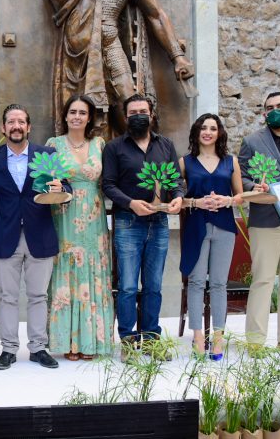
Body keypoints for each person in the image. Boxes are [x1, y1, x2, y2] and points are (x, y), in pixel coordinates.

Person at [32, 0, 195, 134]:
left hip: (108, 43)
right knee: (78, 109)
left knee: (128, 102)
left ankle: (141, 148)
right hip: (74, 51)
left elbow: (155, 15)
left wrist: (177, 56)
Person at [0, 104, 70, 370]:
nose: (16, 126)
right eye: (11, 122)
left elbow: (65, 186)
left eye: (21, 122)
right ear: (3, 128)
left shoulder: (46, 155)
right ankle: (8, 349)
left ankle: (38, 348)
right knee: (8, 296)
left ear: (28, 127)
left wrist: (60, 187)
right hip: (6, 236)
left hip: (41, 234)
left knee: (39, 295)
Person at [101, 93, 183, 361]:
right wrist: (131, 203)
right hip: (128, 222)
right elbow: (108, 185)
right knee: (126, 285)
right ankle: (127, 341)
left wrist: (177, 197)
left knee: (154, 285)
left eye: (143, 112)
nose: (139, 116)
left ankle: (150, 341)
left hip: (158, 223)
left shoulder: (166, 145)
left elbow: (176, 180)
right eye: (133, 113)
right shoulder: (114, 148)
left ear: (151, 115)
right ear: (126, 118)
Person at [46, 94, 114, 361]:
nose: (77, 116)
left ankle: (92, 341)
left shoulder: (99, 144)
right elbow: (43, 181)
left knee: (94, 272)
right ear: (65, 116)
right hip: (64, 215)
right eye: (72, 112)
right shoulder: (53, 145)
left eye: (82, 113)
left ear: (89, 118)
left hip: (94, 219)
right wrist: (51, 185)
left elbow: (110, 180)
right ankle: (69, 342)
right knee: (68, 270)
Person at [238, 92, 280, 353]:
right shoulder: (252, 141)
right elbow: (241, 176)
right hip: (265, 219)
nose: (276, 110)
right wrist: (253, 186)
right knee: (262, 280)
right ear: (264, 114)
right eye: (270, 107)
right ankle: (255, 341)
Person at [179, 114, 243, 360]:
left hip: (225, 226)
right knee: (196, 282)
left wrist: (227, 200)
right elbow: (176, 198)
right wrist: (196, 202)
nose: (207, 132)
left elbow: (240, 197)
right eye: (203, 128)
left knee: (218, 283)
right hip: (196, 226)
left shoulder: (231, 161)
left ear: (219, 133)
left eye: (213, 128)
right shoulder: (185, 162)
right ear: (196, 132)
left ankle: (218, 338)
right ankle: (197, 337)